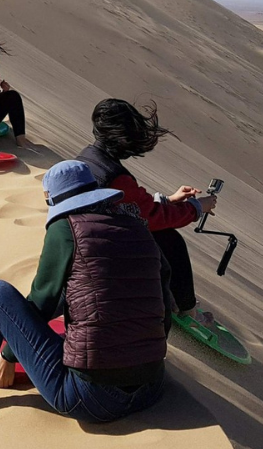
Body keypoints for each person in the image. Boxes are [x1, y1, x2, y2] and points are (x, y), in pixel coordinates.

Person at [0, 159, 169, 421]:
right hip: (153, 387)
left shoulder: (66, 228)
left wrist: (9, 354)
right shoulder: (137, 226)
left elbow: (42, 302)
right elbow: (164, 294)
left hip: (91, 399)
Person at [76, 98, 217, 328]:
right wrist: (197, 207)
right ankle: (187, 309)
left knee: (161, 239)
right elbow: (153, 217)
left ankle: (172, 297)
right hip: (104, 250)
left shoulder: (88, 157)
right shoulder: (115, 175)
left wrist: (169, 200)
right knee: (170, 241)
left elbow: (130, 206)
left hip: (85, 236)